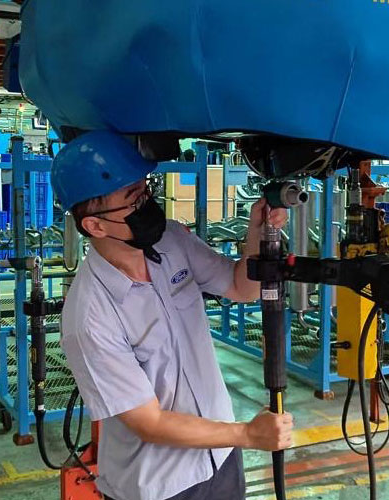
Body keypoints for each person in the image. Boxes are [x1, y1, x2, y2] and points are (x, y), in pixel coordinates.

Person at [53, 131, 294, 500]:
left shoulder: (170, 241)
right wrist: (247, 434)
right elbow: (148, 423)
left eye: (145, 191)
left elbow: (239, 287)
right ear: (95, 226)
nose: (148, 205)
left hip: (221, 456)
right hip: (160, 486)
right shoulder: (90, 316)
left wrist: (257, 235)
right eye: (133, 201)